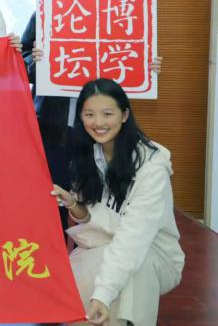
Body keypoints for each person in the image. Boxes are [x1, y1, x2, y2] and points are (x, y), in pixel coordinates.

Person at [23, 0, 162, 230]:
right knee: (53, 197)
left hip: (100, 127)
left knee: (99, 199)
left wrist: (146, 66)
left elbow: (130, 55)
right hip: (54, 124)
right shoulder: (45, 10)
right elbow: (21, 64)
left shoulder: (117, 10)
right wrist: (35, 62)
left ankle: (97, 252)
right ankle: (57, 255)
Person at [51, 78, 183, 326]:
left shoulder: (151, 166)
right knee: (79, 285)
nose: (98, 123)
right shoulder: (87, 155)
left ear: (124, 115)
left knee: (131, 272)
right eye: (89, 114)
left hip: (152, 253)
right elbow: (93, 218)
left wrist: (103, 293)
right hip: (99, 245)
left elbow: (134, 237)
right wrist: (72, 204)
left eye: (107, 114)